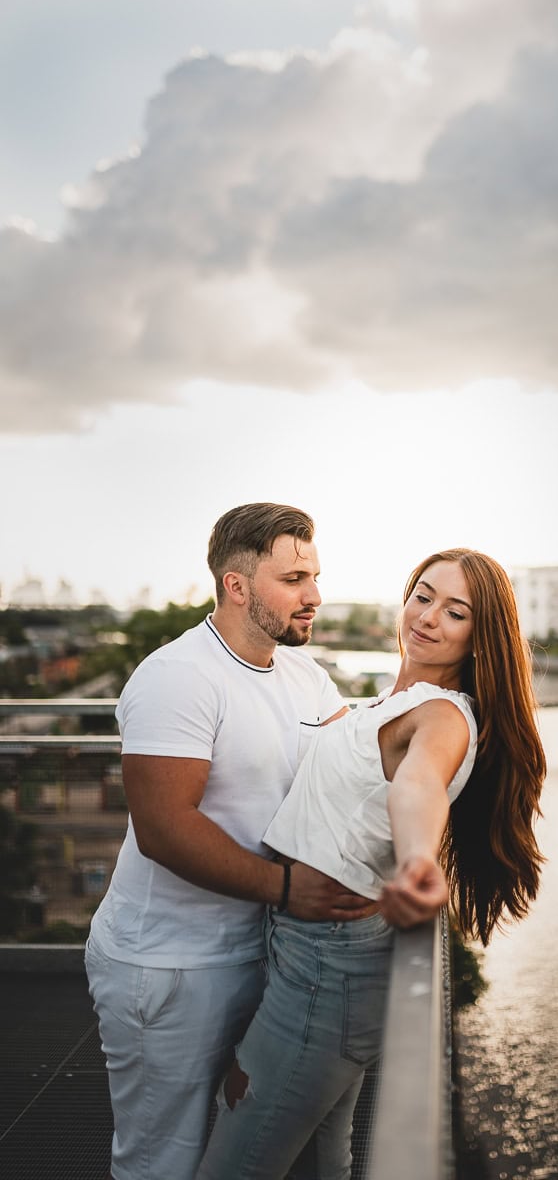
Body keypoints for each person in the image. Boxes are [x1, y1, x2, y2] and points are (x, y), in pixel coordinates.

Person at [196, 547, 547, 1180]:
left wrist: (418, 860)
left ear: (480, 638)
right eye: (424, 595)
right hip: (307, 950)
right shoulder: (387, 704)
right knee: (320, 1161)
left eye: (456, 612)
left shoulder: (442, 717)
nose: (430, 618)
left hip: (327, 971)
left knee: (236, 1159)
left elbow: (418, 787)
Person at [84, 503, 375, 1180]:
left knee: (245, 1153)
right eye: (295, 578)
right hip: (170, 967)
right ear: (237, 586)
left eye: (316, 575)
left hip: (264, 955)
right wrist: (286, 889)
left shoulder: (305, 675)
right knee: (166, 1162)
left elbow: (359, 765)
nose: (315, 595)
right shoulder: (177, 677)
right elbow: (164, 828)